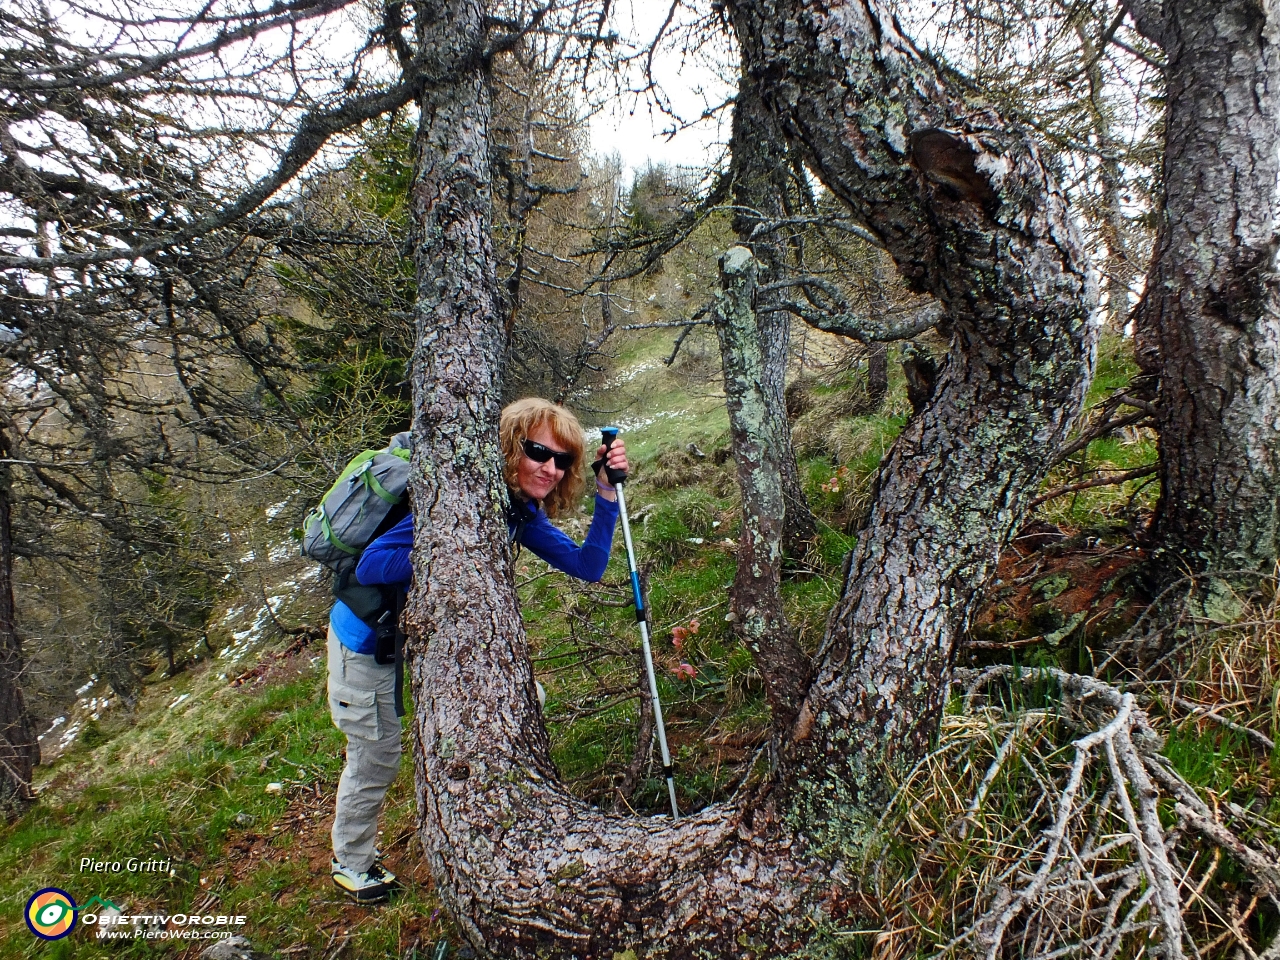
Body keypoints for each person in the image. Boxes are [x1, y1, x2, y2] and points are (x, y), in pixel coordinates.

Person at [325, 398, 629, 902]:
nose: (551, 469)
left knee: (524, 697)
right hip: (368, 643)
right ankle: (351, 861)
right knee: (376, 755)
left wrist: (605, 495)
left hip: (426, 638)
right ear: (511, 448)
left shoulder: (516, 511)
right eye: (538, 452)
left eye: (564, 460)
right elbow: (372, 566)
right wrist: (461, 551)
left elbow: (588, 566)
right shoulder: (454, 502)